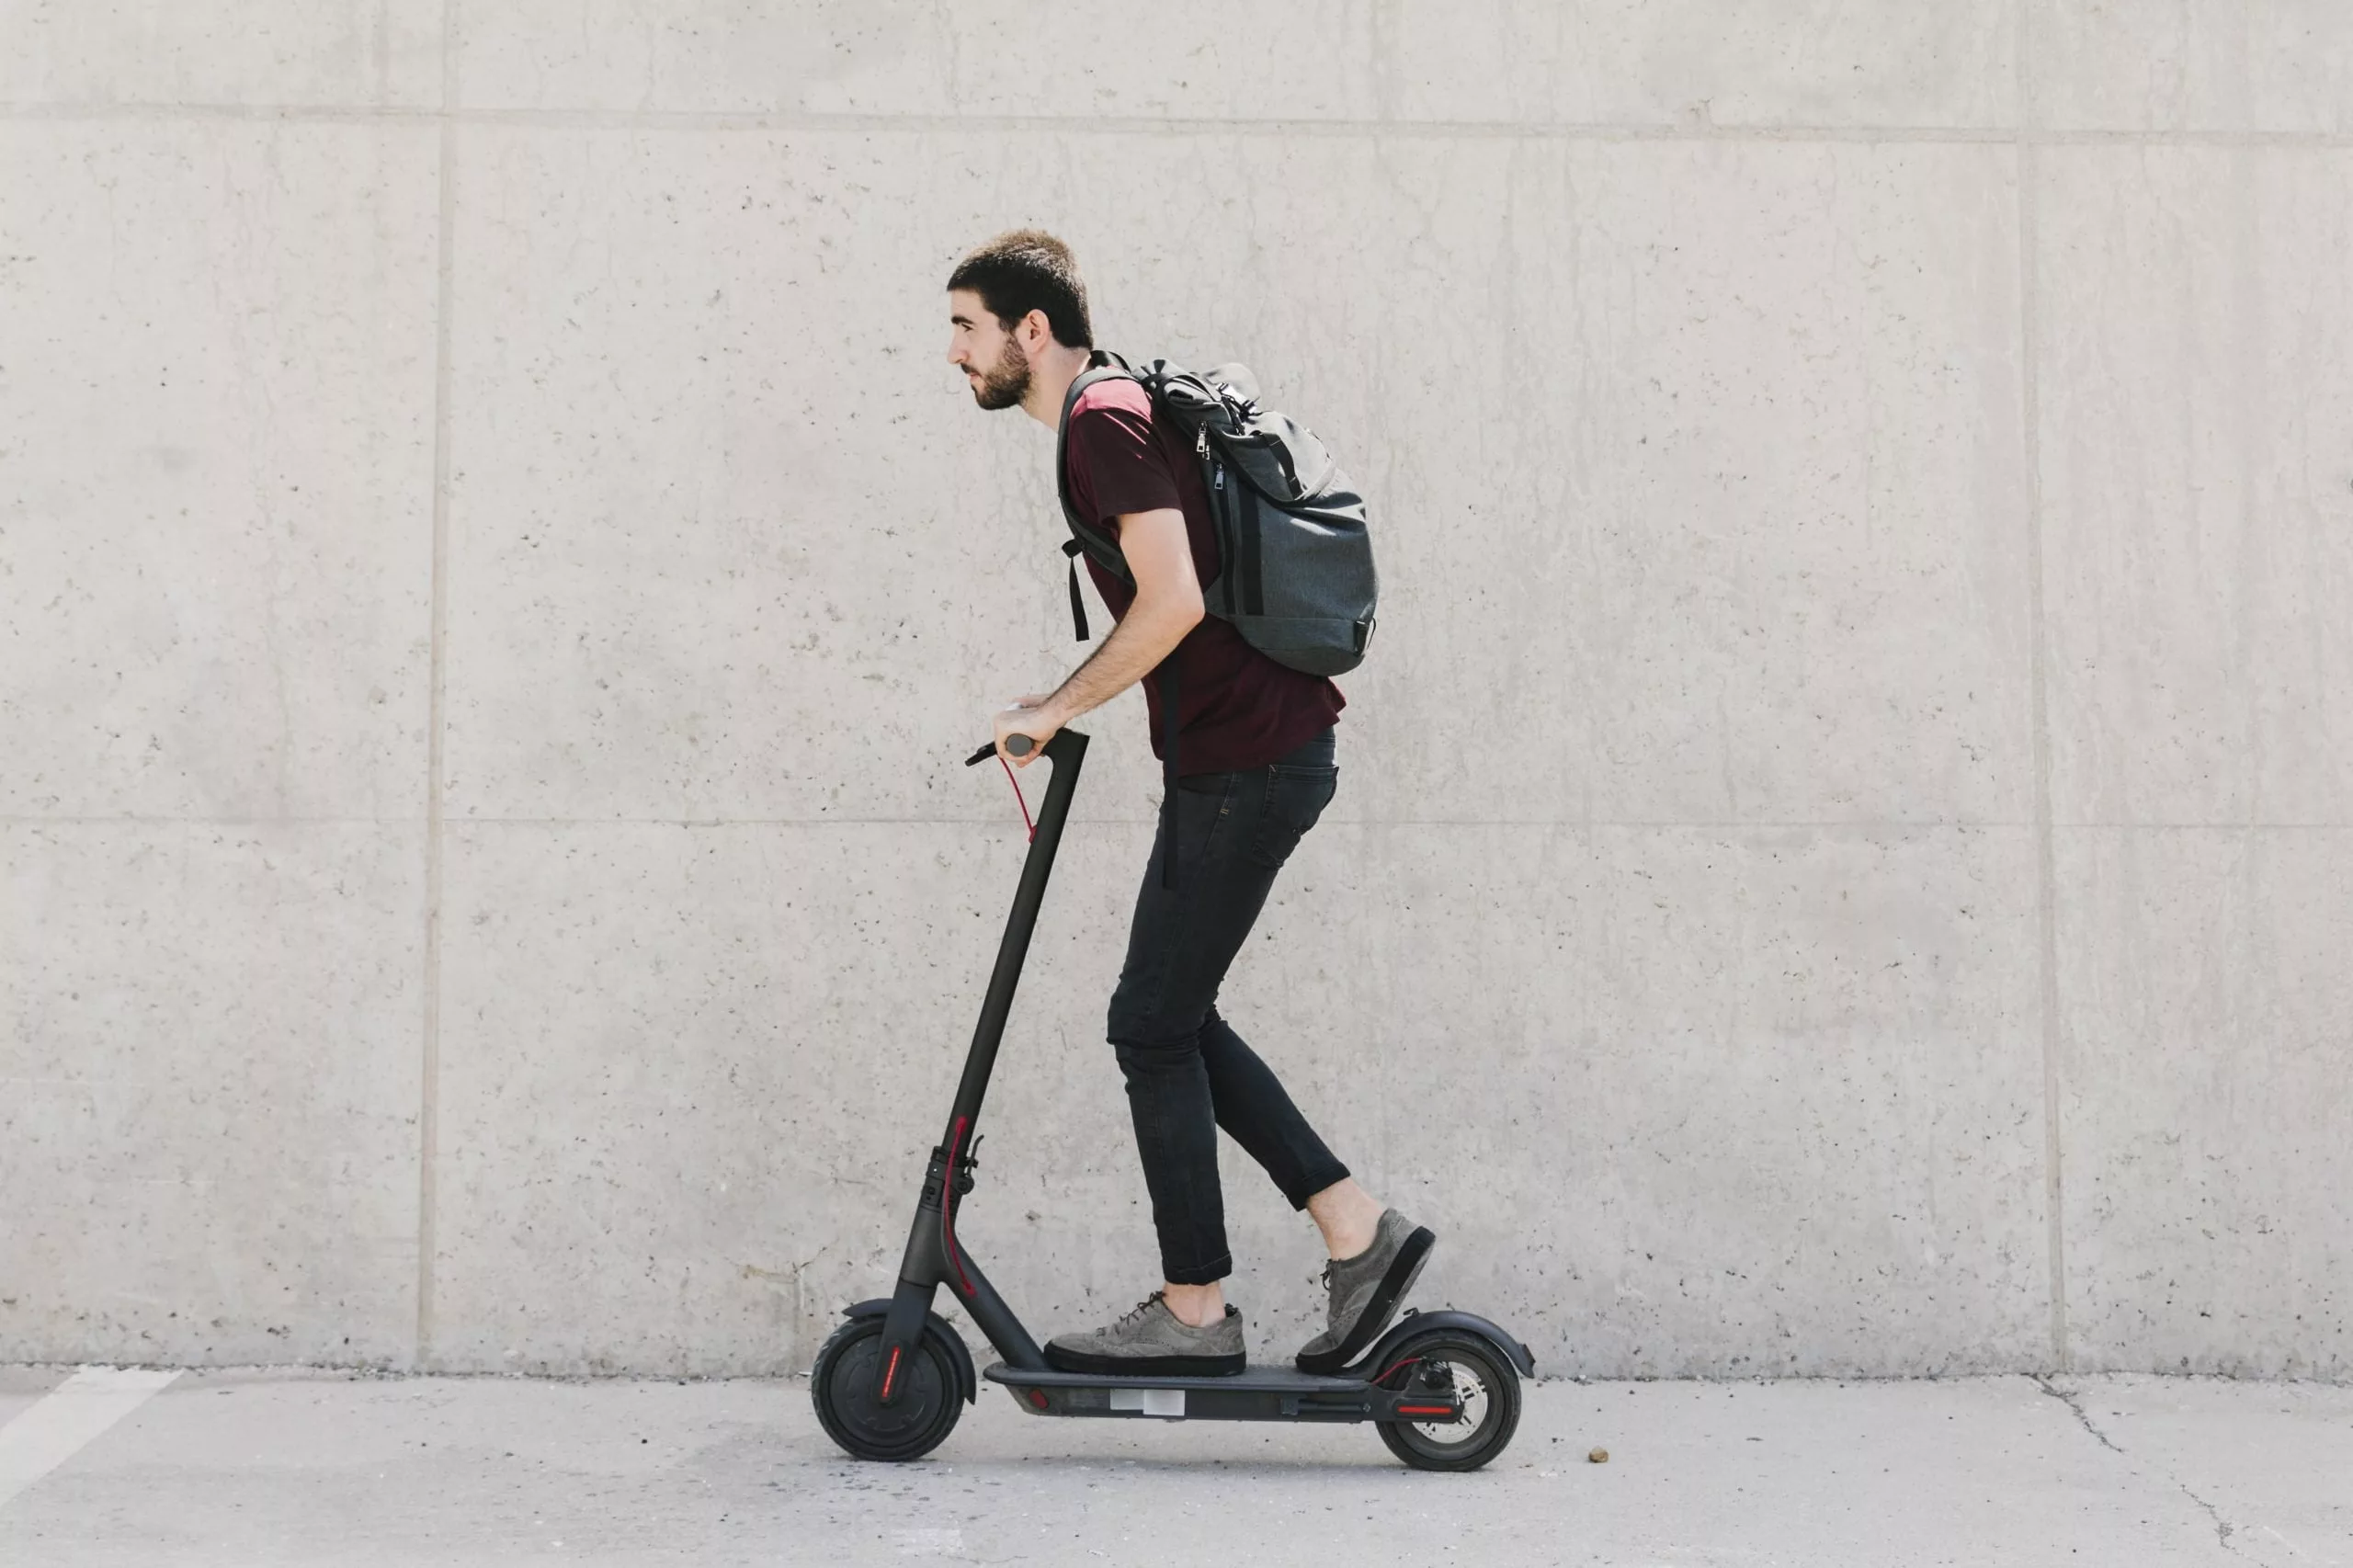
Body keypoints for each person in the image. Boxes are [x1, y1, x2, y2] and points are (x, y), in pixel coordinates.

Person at [943, 230, 1432, 1377]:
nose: (953, 353)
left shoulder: (1102, 422)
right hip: (1244, 757)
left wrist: (1058, 706)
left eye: (966, 327)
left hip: (1248, 761)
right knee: (1173, 1016)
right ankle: (1354, 1232)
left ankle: (1200, 1307)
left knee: (1151, 1022)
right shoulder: (1111, 413)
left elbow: (1169, 601)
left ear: (1030, 329)